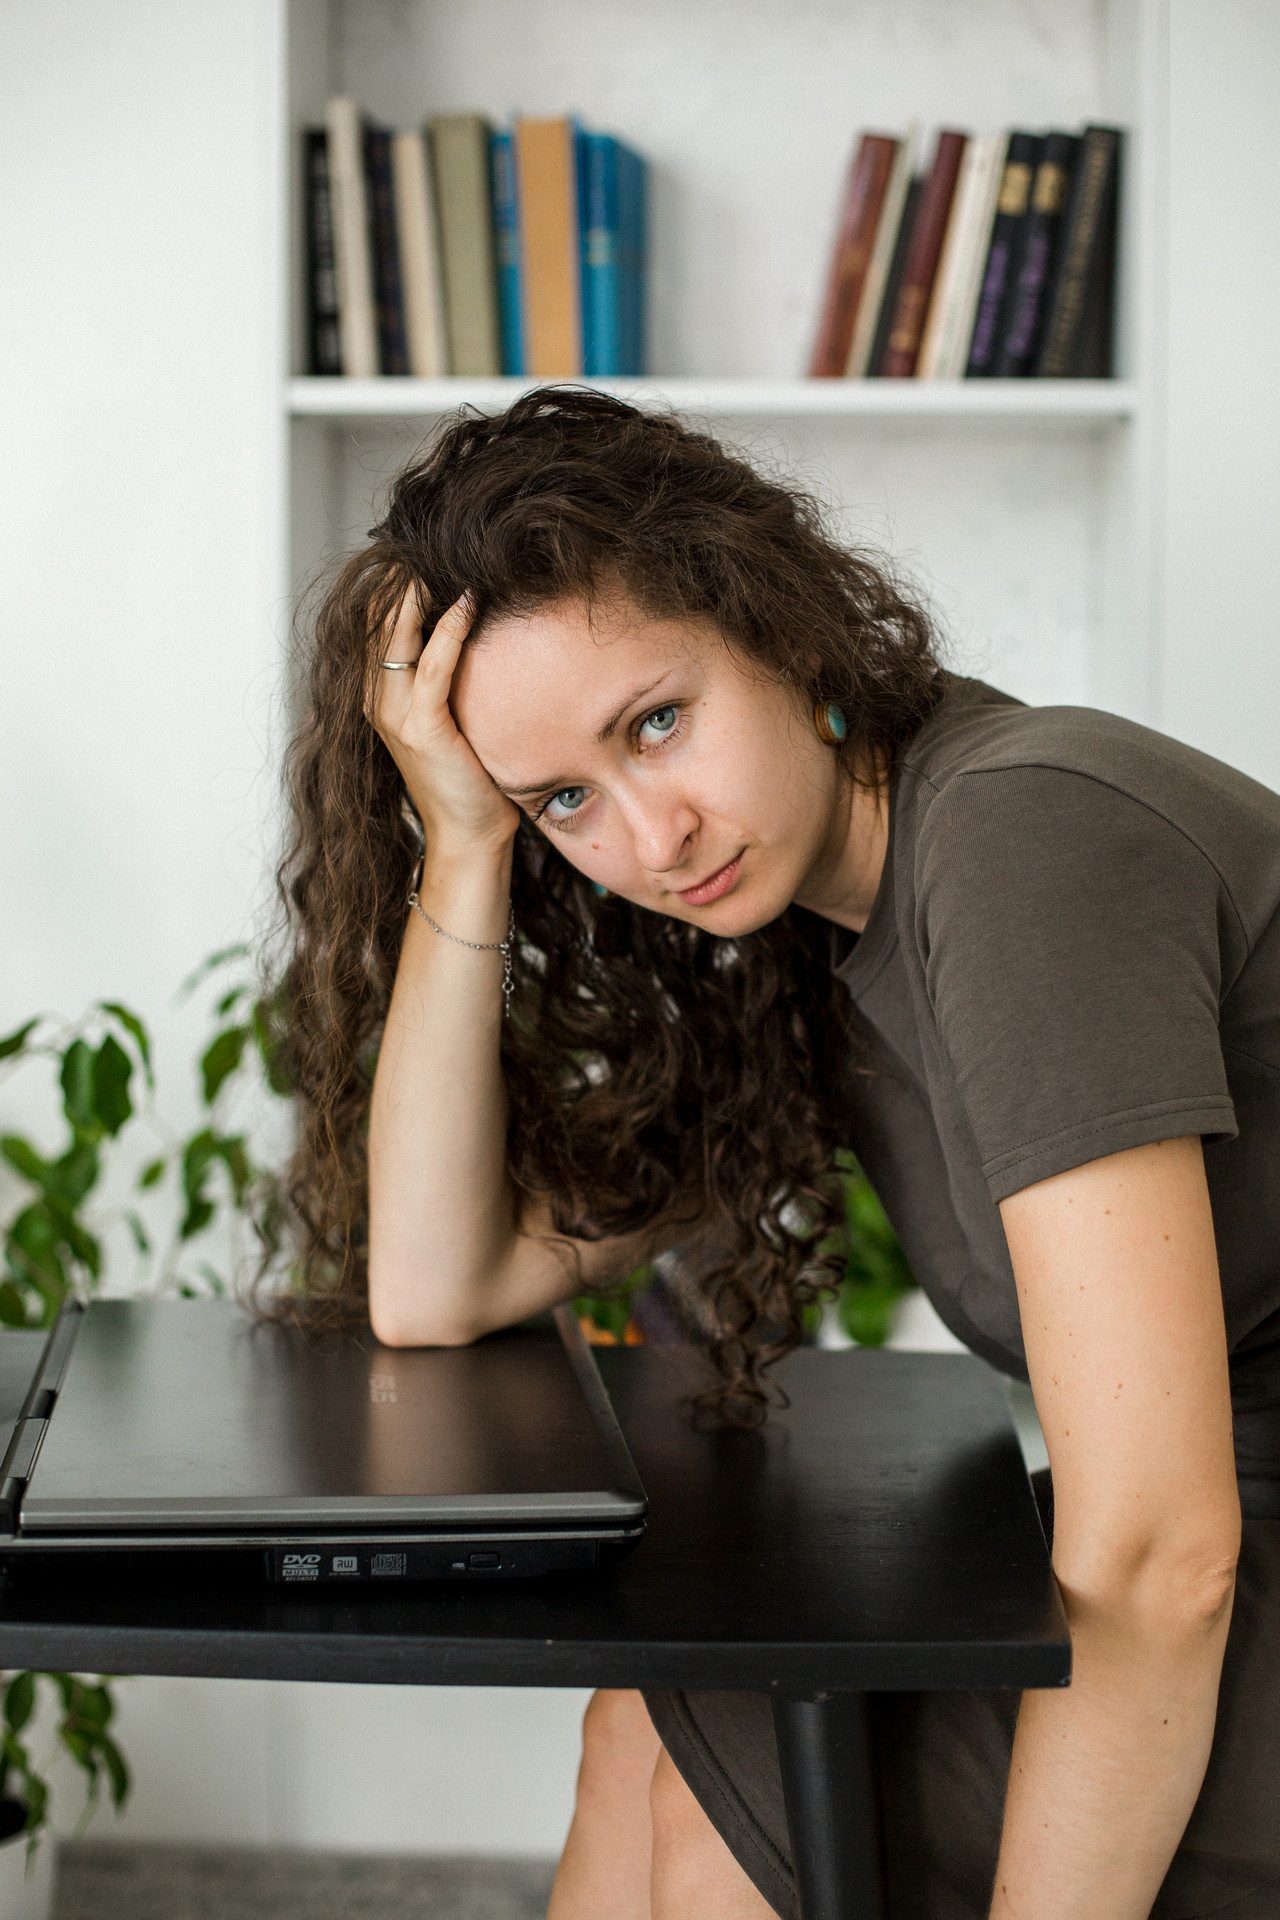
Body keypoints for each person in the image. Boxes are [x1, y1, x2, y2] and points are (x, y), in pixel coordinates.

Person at [278, 388, 1280, 1919]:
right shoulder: (801, 942)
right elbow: (436, 1283)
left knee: (734, 1777)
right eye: (567, 800)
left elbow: (1157, 1551)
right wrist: (467, 837)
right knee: (665, 1719)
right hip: (1210, 1538)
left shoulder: (1017, 840)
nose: (652, 838)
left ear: (782, 623)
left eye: (656, 723)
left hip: (1217, 1564)